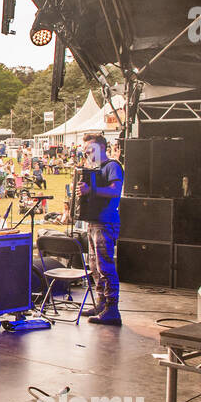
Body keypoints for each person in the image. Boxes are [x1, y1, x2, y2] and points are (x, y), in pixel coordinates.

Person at [76, 133, 124, 325]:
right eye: (86, 150)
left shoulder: (112, 166)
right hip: (94, 221)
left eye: (91, 149)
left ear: (102, 148)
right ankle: (101, 303)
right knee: (94, 266)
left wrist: (91, 190)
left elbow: (114, 191)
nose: (87, 153)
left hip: (106, 221)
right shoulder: (93, 169)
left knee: (105, 265)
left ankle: (112, 308)